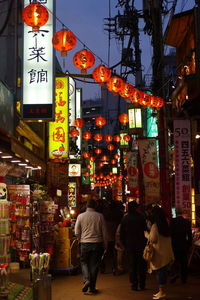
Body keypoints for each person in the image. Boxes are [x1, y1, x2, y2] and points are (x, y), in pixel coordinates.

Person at [74, 198, 108, 294]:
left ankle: (86, 279)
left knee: (84, 262)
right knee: (94, 265)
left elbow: (76, 232)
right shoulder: (100, 216)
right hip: (97, 243)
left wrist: (80, 239)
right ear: (95, 206)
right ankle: (92, 288)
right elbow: (104, 232)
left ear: (86, 206)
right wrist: (105, 244)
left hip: (84, 243)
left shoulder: (80, 216)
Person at [145, 205, 174, 300]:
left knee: (160, 272)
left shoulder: (155, 226)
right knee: (163, 272)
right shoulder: (166, 223)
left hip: (159, 253)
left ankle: (162, 292)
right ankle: (161, 291)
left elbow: (153, 239)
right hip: (167, 251)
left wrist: (147, 234)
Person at [120, 201, 147, 291]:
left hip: (129, 244)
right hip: (140, 244)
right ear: (136, 208)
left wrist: (123, 244)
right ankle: (142, 283)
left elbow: (122, 233)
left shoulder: (125, 218)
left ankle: (134, 284)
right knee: (141, 265)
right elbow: (145, 230)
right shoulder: (141, 217)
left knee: (132, 265)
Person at [170, 207, 192, 284]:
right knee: (184, 262)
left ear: (175, 213)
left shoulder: (173, 221)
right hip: (184, 244)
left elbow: (170, 234)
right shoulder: (186, 222)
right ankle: (184, 279)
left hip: (175, 244)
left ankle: (175, 273)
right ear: (182, 213)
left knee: (175, 260)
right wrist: (189, 245)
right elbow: (189, 235)